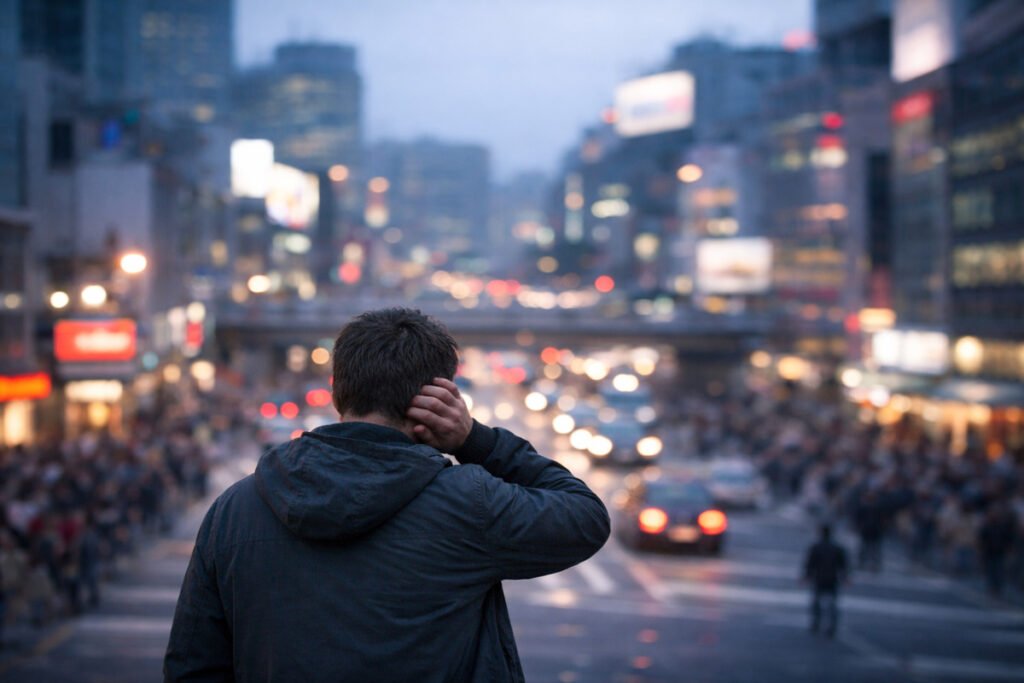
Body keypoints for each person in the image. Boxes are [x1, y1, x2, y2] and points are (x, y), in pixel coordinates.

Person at [164, 308, 610, 682]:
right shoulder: (469, 504)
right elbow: (585, 517)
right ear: (440, 395)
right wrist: (476, 440)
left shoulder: (236, 509)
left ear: (338, 387)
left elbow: (193, 666)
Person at [803, 523, 848, 637]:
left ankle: (816, 623)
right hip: (832, 579)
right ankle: (832, 626)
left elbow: (810, 564)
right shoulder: (837, 548)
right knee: (832, 604)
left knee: (817, 602)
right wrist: (845, 578)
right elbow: (843, 565)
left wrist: (806, 576)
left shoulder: (816, 547)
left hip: (819, 578)